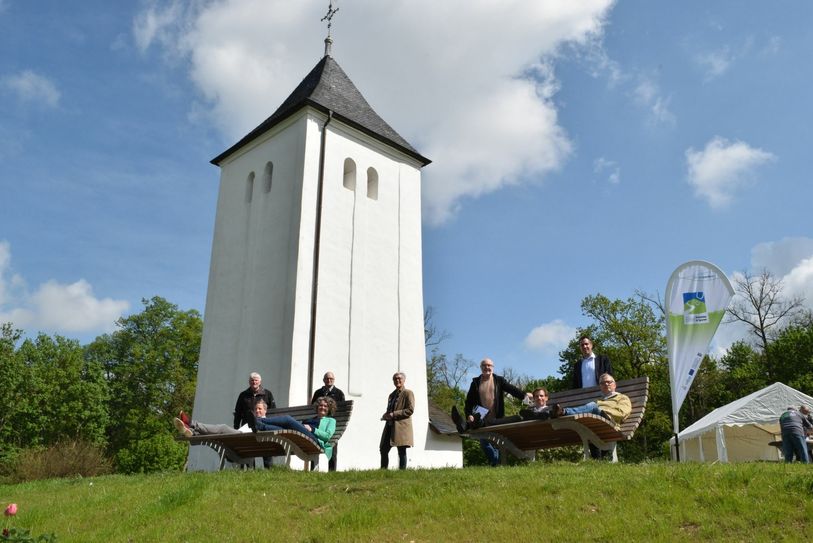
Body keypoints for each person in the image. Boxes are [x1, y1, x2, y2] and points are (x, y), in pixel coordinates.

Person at [452, 358, 532, 466]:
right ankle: (464, 423)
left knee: (497, 443)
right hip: (481, 418)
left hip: (497, 418)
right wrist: (469, 415)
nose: (487, 367)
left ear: (493, 368)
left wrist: (524, 396)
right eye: (484, 365)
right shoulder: (475, 383)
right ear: (481, 368)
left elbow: (511, 389)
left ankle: (495, 463)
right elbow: (469, 402)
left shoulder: (499, 380)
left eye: (489, 365)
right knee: (484, 441)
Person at [255, 397, 338, 463]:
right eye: (321, 405)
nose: (322, 407)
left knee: (287, 419)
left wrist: (312, 429)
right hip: (303, 435)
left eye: (325, 406)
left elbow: (327, 436)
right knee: (281, 429)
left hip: (315, 440)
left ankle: (259, 420)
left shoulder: (331, 421)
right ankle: (261, 426)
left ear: (329, 408)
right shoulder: (311, 419)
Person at [551, 373, 631, 425]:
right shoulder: (599, 401)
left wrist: (604, 412)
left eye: (609, 382)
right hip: (594, 421)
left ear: (614, 385)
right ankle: (558, 412)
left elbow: (622, 413)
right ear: (600, 387)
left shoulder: (622, 398)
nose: (606, 384)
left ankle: (563, 412)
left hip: (610, 422)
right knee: (592, 406)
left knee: (592, 405)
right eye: (602, 383)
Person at [174, 399, 268, 437]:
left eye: (260, 409)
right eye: (256, 409)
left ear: (265, 410)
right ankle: (190, 431)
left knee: (223, 428)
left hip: (244, 437)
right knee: (216, 433)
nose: (257, 411)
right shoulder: (254, 419)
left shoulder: (265, 421)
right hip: (240, 435)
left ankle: (191, 423)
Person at [310, 372, 346, 472]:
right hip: (319, 421)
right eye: (327, 379)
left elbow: (341, 409)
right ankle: (313, 469)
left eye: (331, 379)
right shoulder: (318, 392)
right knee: (312, 443)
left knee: (332, 448)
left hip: (331, 423)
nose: (329, 380)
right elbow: (313, 406)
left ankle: (332, 471)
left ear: (334, 380)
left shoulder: (339, 393)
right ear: (323, 380)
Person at [379, 372, 414, 470]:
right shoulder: (391, 395)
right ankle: (383, 471)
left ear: (404, 380)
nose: (397, 380)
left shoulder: (408, 393)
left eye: (399, 378)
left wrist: (394, 414)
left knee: (401, 450)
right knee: (383, 449)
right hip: (390, 425)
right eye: (395, 379)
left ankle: (402, 472)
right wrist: (386, 415)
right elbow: (390, 409)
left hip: (401, 427)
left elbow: (410, 410)